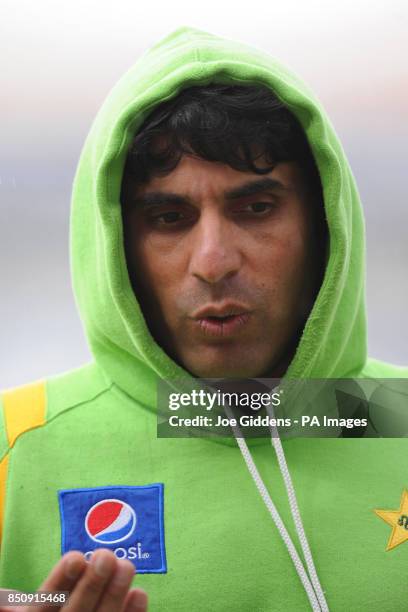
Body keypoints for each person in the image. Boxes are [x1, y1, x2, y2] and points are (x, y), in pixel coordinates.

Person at [0, 25, 407, 612]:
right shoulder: (16, 444)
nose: (213, 261)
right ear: (117, 246)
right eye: (169, 217)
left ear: (323, 227)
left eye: (256, 207)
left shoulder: (397, 414)